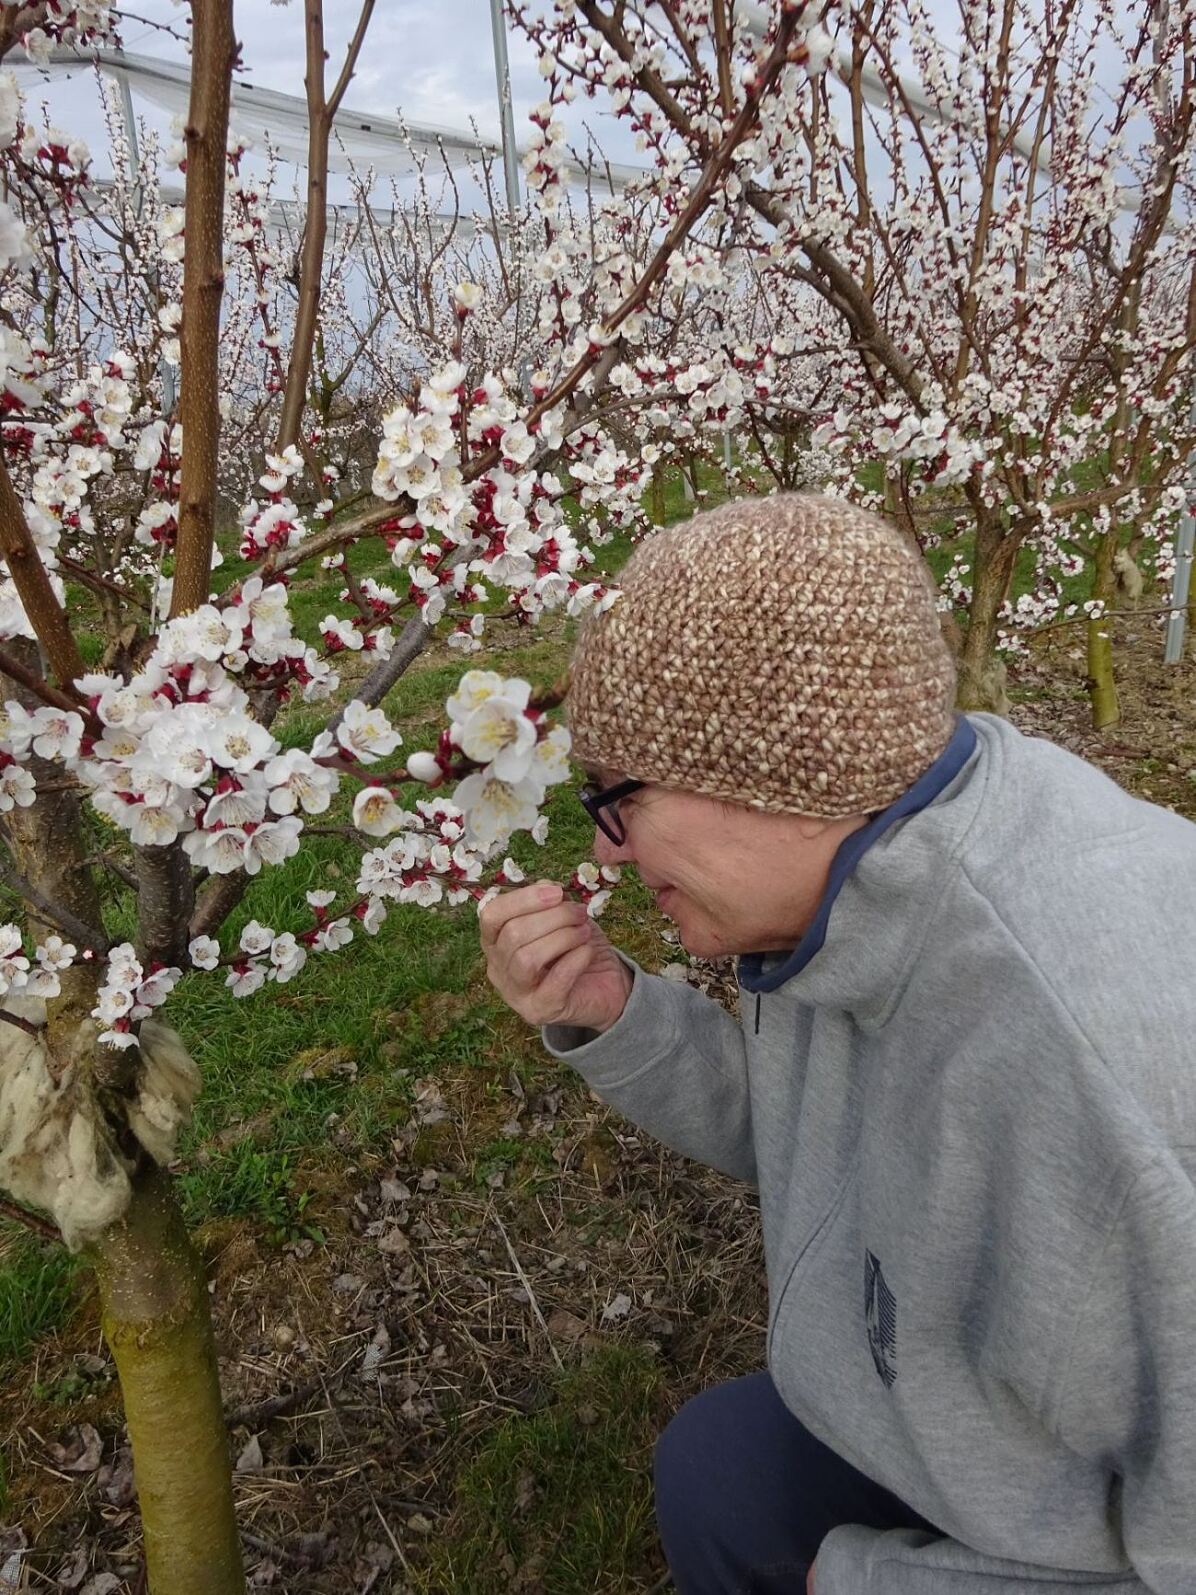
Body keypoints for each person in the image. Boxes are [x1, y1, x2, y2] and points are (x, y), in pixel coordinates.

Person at [479, 493, 1196, 1595]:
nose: (603, 851)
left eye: (613, 796)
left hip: (1063, 1538)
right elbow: (825, 1136)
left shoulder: (1115, 1082)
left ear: (770, 769)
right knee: (717, 1465)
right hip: (941, 1416)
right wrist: (614, 1009)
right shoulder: (865, 866)